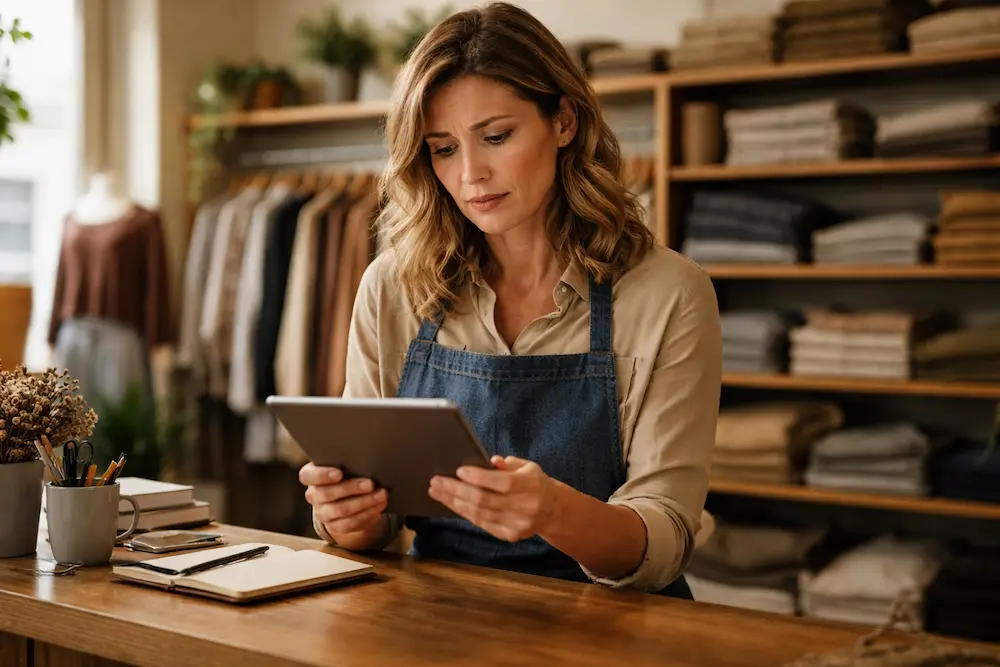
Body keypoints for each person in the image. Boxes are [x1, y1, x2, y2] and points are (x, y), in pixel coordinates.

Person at [299, 2, 721, 598]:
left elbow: (666, 536)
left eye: (496, 136)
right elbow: (375, 520)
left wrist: (553, 511)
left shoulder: (667, 293)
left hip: (611, 629)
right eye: (443, 148)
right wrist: (349, 517)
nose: (471, 173)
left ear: (565, 122)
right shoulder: (393, 287)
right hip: (434, 619)